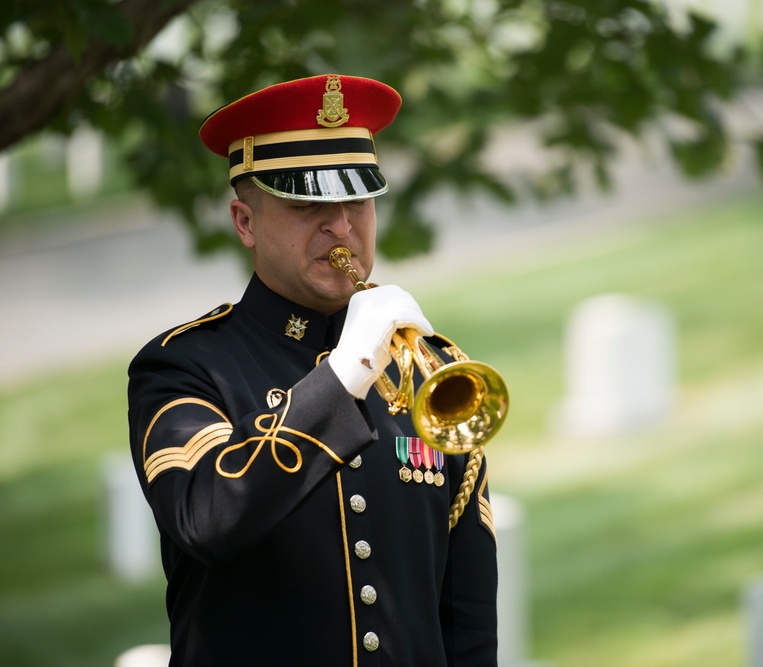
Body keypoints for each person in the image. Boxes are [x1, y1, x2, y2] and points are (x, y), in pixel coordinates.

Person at [126, 74, 499, 666]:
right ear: (245, 222)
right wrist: (343, 377)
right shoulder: (185, 367)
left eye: (358, 197)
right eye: (308, 204)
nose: (342, 226)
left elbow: (469, 621)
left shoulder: (435, 371)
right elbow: (205, 518)